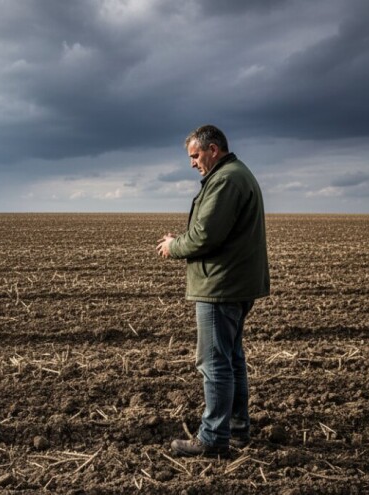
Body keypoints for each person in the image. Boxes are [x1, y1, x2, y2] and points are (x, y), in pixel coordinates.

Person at [155, 125, 270, 458]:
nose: (192, 163)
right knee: (232, 360)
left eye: (195, 155)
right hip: (234, 283)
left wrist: (174, 246)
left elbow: (205, 236)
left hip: (220, 285)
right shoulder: (235, 175)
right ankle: (236, 431)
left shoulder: (226, 180)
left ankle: (213, 439)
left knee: (214, 363)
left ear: (213, 149)